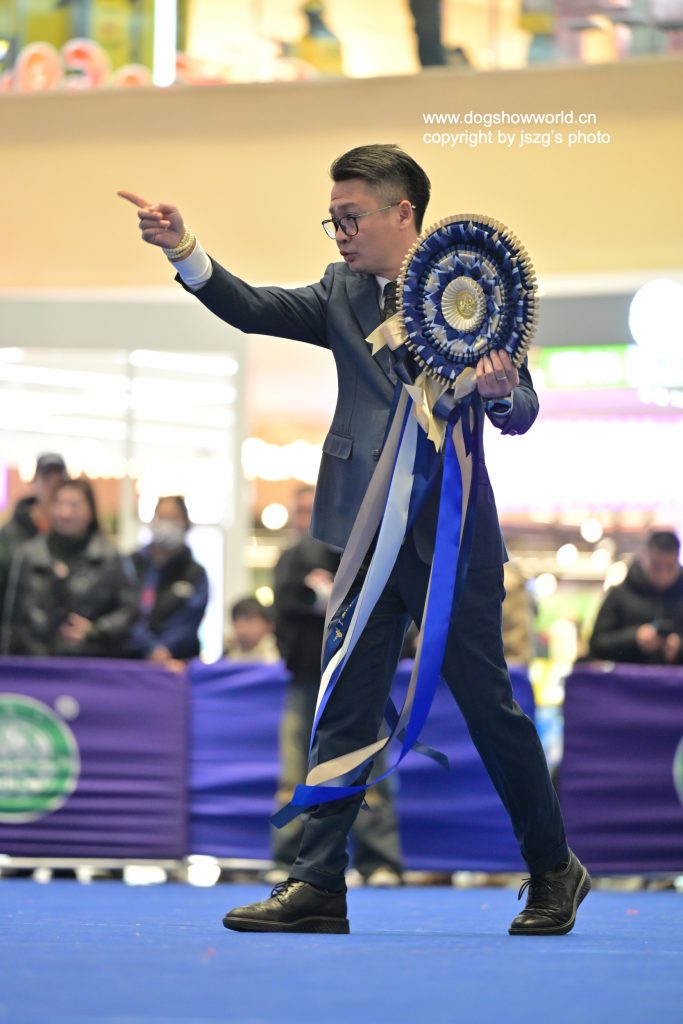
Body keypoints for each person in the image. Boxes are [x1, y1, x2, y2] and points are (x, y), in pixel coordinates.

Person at [119, 143, 590, 936]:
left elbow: (523, 409)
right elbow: (252, 306)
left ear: (403, 213)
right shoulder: (339, 292)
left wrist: (502, 394)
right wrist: (183, 250)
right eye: (331, 219)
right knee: (343, 705)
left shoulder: (472, 286)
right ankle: (316, 884)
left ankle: (553, 869)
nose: (338, 233)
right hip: (363, 535)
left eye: (350, 217)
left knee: (489, 710)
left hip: (451, 543)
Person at [271, 484, 403, 886]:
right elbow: (284, 611)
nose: (307, 519)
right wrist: (317, 602)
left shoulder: (364, 551)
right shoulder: (290, 559)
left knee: (368, 766)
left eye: (312, 509)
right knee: (295, 771)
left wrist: (329, 598)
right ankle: (289, 858)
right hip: (306, 681)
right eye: (300, 511)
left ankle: (379, 860)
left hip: (358, 680)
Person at [1, 478, 138, 658]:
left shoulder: (110, 557)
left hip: (90, 662)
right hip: (35, 661)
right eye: (59, 504)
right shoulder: (29, 555)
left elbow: (130, 611)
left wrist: (96, 630)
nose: (65, 513)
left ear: (91, 511)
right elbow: (11, 618)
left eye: (74, 505)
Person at [128, 495, 209, 669]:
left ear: (185, 524)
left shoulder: (195, 573)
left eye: (173, 518)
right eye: (162, 517)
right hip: (134, 661)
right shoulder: (133, 564)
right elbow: (126, 610)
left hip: (179, 661)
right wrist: (149, 647)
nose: (166, 524)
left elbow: (190, 620)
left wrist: (164, 650)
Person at [588, 530, 683, 665]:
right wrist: (634, 638)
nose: (663, 575)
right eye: (656, 566)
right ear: (644, 557)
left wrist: (679, 648)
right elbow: (597, 644)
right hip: (625, 678)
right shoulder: (619, 595)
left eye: (670, 567)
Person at [0, 453, 67, 610]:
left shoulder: (70, 533)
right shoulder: (10, 534)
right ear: (34, 483)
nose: (53, 487)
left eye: (59, 482)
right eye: (47, 479)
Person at [224, 596, 280, 663]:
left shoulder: (278, 658)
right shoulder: (227, 654)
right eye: (236, 620)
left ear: (269, 626)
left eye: (249, 620)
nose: (242, 628)